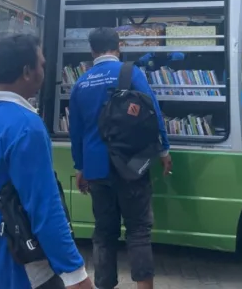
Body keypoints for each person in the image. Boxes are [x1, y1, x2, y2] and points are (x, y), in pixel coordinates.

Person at [0, 34, 93, 289]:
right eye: (41, 64)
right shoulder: (26, 126)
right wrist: (75, 274)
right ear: (27, 72)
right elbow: (45, 208)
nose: (44, 70)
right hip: (19, 268)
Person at [69, 27, 172, 289]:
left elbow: (76, 132)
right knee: (138, 230)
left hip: (96, 168)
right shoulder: (131, 73)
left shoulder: (81, 83)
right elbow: (153, 112)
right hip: (132, 164)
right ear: (119, 46)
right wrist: (163, 150)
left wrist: (80, 167)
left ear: (91, 51)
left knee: (104, 232)